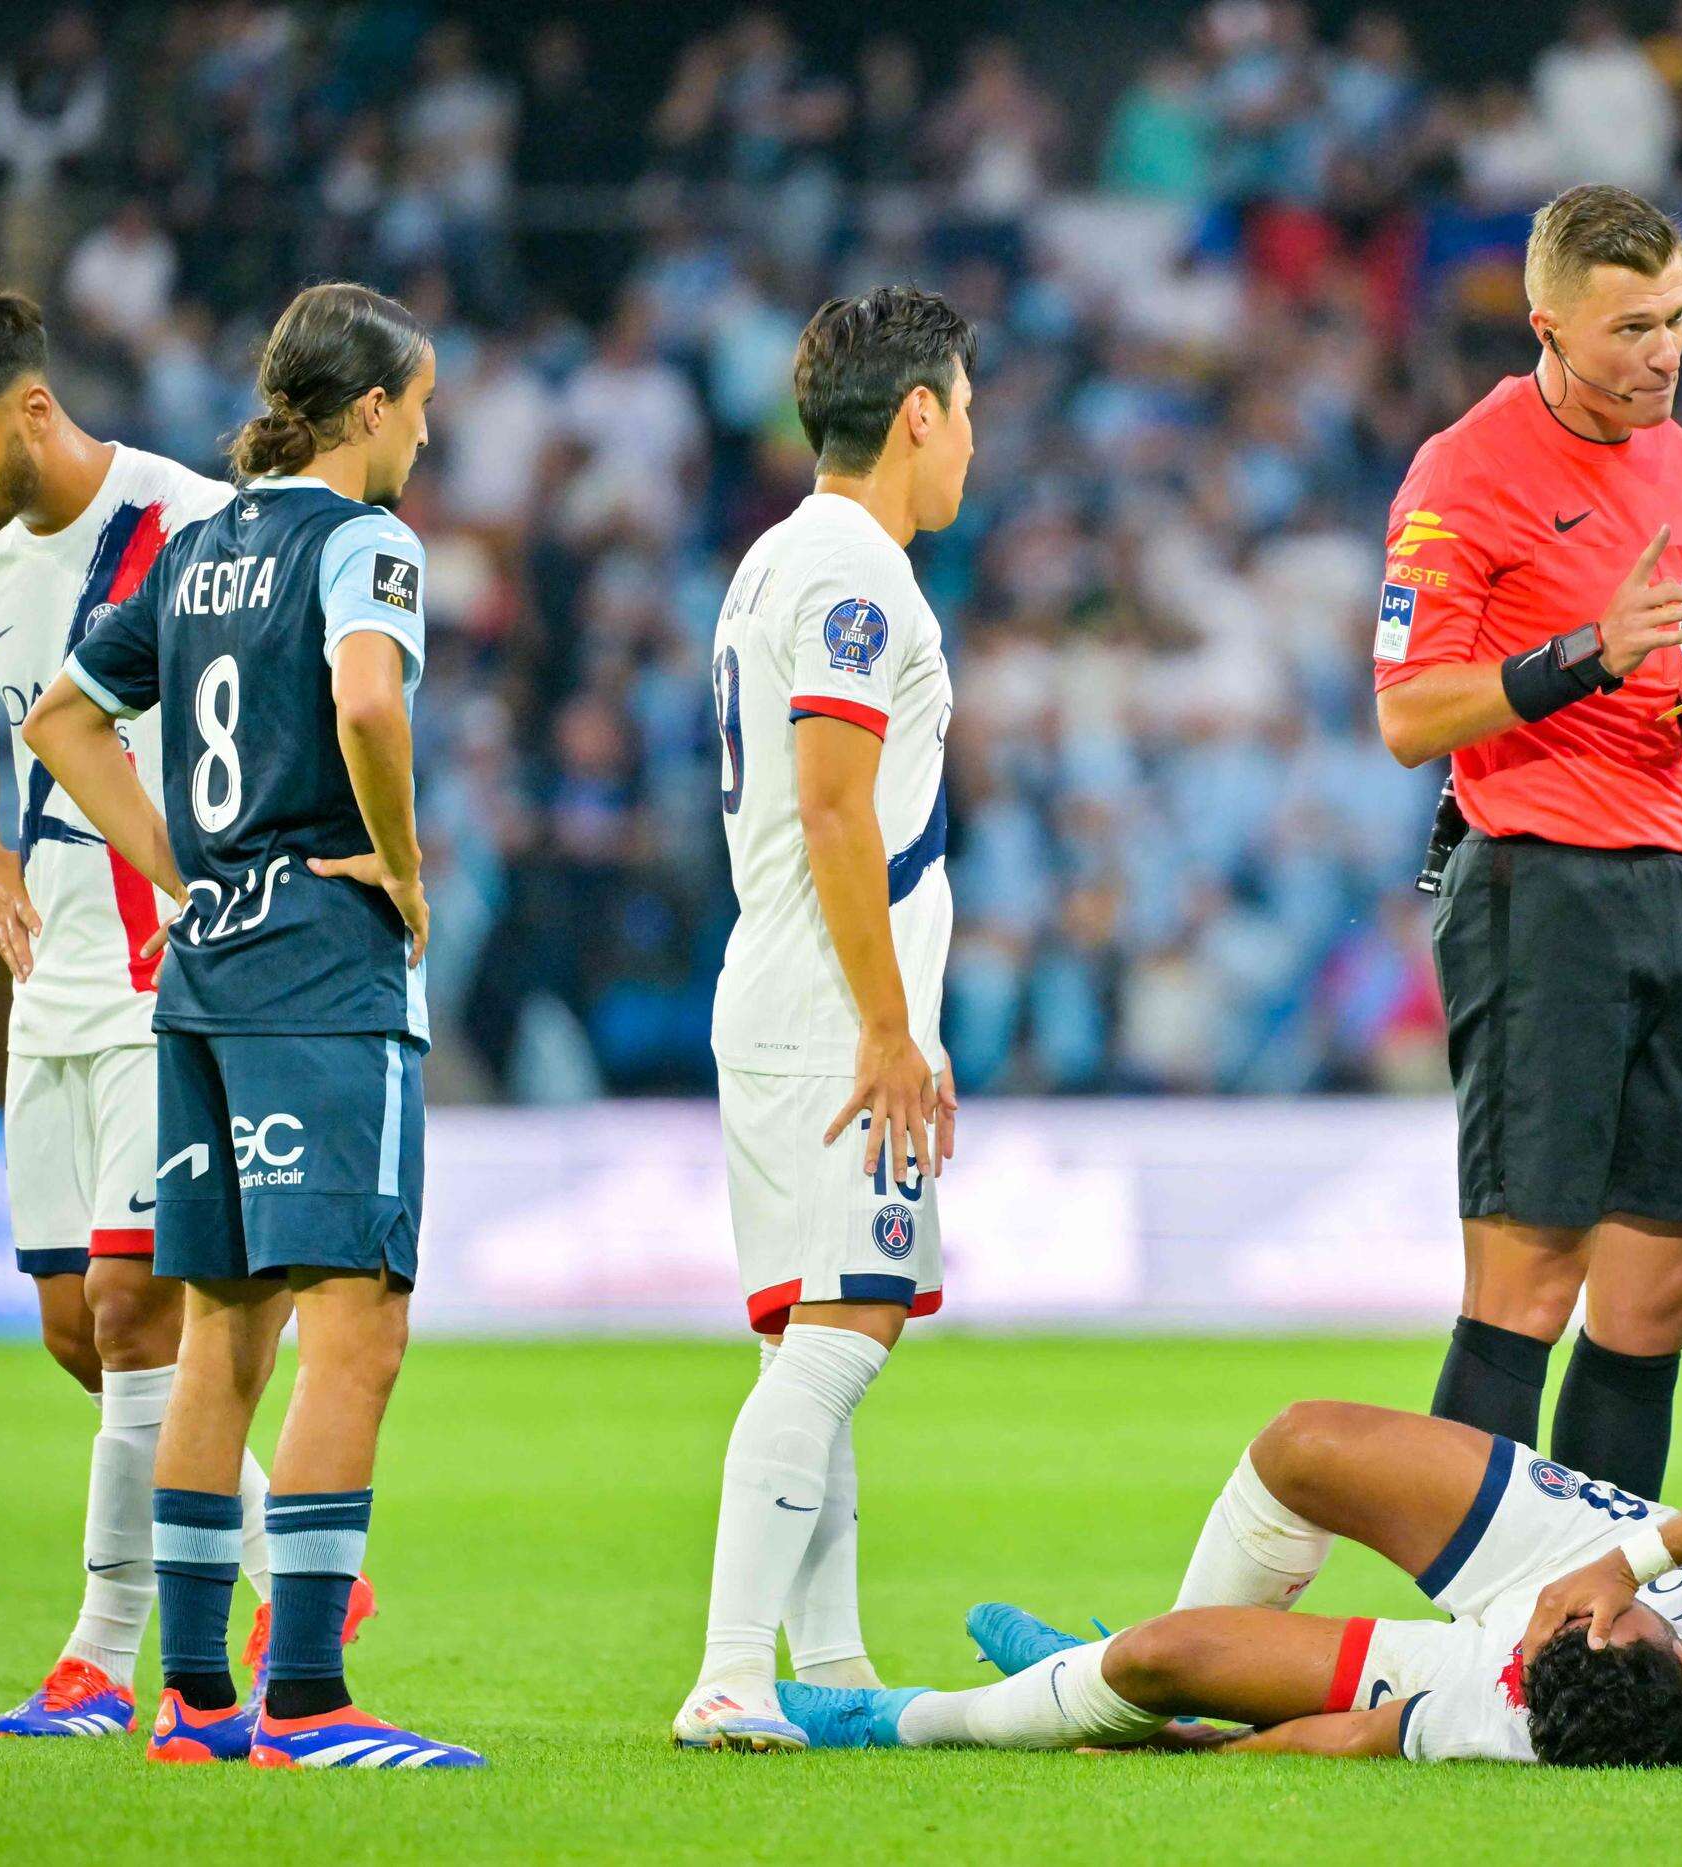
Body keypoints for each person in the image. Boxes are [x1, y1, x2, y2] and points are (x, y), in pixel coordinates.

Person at [24, 281, 477, 1770]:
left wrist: (179, 869)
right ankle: (307, 1700)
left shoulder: (203, 541)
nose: (423, 432)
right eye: (415, 407)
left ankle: (196, 1699)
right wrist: (403, 868)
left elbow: (62, 721)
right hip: (323, 977)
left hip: (205, 977)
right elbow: (367, 698)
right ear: (366, 411)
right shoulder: (367, 541)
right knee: (359, 1323)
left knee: (225, 1328)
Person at [0, 275, 319, 1741]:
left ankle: (99, 1657)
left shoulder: (187, 526)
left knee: (136, 1308)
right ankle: (265, 1536)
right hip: (46, 976)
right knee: (76, 1323)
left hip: (165, 966)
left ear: (33, 410)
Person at [1371, 183, 1682, 1500]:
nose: (1664, 352)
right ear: (1546, 324)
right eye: (1633, 326)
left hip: (1662, 878)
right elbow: (1408, 712)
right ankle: (1471, 1625)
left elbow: (1671, 656)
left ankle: (1595, 1620)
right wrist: (1590, 652)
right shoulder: (1463, 472)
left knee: (1657, 1289)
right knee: (1526, 1281)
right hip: (1531, 885)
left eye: (1680, 319)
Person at [673, 286, 977, 1753]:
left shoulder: (768, 561)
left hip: (780, 985)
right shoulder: (861, 572)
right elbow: (836, 797)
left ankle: (831, 1658)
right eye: (966, 408)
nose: (971, 441)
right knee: (845, 1330)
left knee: (815, 1329)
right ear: (918, 412)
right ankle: (734, 1668)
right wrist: (888, 1024)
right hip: (826, 1006)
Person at [760, 1398, 1682, 1769]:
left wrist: (1197, 1749)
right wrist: (1620, 1568)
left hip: (1513, 1652)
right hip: (1591, 1544)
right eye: (1599, 1623)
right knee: (1304, 1447)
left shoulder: (1526, 1712)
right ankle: (1082, 1672)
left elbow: (1362, 1738)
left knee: (1159, 1661)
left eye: (1576, 1629)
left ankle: (896, 1718)